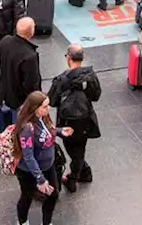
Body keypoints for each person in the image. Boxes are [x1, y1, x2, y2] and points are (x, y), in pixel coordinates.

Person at [12, 91, 73, 225]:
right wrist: (40, 179)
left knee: (53, 195)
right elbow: (28, 157)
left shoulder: (43, 117)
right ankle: (22, 222)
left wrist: (59, 131)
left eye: (48, 105)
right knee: (27, 196)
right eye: (45, 106)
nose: (48, 108)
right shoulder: (27, 129)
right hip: (29, 171)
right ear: (35, 109)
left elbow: (48, 130)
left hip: (48, 166)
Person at [47, 43, 101, 193]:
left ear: (68, 58)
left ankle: (75, 178)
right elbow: (96, 96)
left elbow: (51, 100)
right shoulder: (90, 76)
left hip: (66, 121)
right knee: (80, 149)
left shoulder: (61, 80)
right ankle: (82, 173)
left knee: (74, 151)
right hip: (85, 120)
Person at [0, 17, 42, 135]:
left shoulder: (5, 41)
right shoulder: (30, 55)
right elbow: (31, 84)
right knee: (17, 133)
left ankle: (2, 145)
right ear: (31, 32)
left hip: (4, 95)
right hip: (18, 103)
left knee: (3, 129)